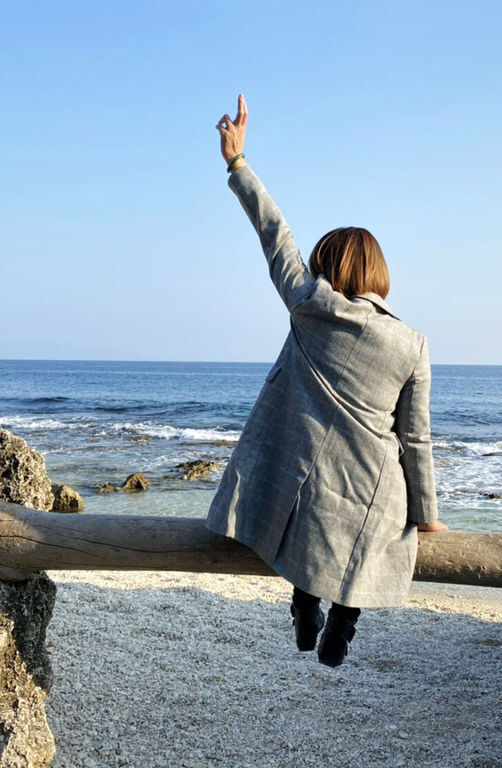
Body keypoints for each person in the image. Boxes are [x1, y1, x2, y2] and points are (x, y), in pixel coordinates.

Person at [207, 94, 447, 668]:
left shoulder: (311, 306)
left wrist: (238, 164)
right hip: (374, 497)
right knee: (364, 525)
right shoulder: (412, 343)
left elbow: (275, 237)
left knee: (304, 506)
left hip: (314, 487)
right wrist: (428, 511)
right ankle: (344, 620)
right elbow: (415, 439)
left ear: (330, 270)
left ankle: (304, 605)